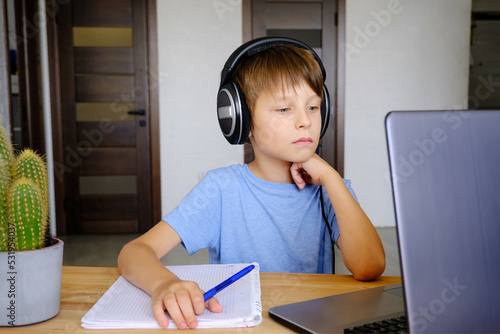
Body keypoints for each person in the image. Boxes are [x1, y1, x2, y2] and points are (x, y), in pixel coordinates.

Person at [118, 38, 385, 330]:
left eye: (313, 107)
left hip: (310, 324)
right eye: (284, 109)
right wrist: (164, 283)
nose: (305, 121)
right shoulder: (222, 189)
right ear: (241, 119)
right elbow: (134, 252)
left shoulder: (332, 190)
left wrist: (332, 179)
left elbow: (370, 267)